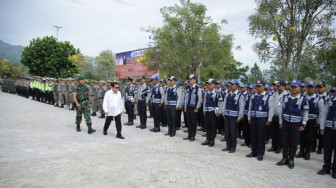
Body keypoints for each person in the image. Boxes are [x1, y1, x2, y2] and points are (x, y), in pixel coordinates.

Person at [276, 79, 309, 169]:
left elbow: (306, 112)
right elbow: (281, 110)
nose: (293, 89)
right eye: (292, 87)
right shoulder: (285, 97)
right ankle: (284, 158)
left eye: (295, 87)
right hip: (286, 122)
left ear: (299, 88)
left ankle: (291, 160)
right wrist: (281, 121)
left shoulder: (303, 99)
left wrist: (303, 124)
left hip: (296, 124)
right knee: (285, 141)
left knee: (293, 143)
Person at [246, 80, 274, 161]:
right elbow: (250, 108)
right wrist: (249, 117)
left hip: (262, 119)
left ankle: (260, 153)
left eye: (260, 86)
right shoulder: (253, 96)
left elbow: (271, 109)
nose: (258, 87)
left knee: (261, 137)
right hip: (253, 118)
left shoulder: (268, 96)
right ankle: (254, 151)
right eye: (257, 86)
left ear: (264, 87)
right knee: (253, 136)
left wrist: (269, 120)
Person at [296, 82, 324, 160]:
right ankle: (301, 151)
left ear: (315, 89)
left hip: (312, 121)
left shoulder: (318, 98)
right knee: (301, 137)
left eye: (312, 87)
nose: (310, 89)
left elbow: (321, 111)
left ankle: (307, 152)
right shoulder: (303, 97)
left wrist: (319, 122)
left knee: (310, 137)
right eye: (309, 87)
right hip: (303, 120)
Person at [221, 79, 245, 153]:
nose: (231, 86)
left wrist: (239, 117)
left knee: (233, 132)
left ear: (237, 86)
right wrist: (223, 112)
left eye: (233, 84)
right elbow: (224, 103)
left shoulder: (240, 95)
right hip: (227, 115)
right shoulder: (228, 93)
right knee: (227, 132)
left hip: (234, 116)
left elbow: (241, 107)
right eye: (230, 84)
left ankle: (233, 147)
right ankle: (228, 146)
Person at [318, 86, 336, 179]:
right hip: (328, 128)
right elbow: (324, 113)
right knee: (327, 149)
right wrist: (322, 126)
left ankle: (335, 170)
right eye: (333, 91)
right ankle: (326, 167)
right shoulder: (330, 101)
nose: (333, 93)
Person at [201, 79, 222, 147]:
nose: (208, 86)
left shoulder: (218, 92)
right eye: (208, 84)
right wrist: (204, 110)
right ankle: (207, 139)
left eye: (210, 84)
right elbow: (204, 102)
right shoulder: (206, 93)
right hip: (207, 111)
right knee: (207, 126)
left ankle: (212, 140)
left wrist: (218, 111)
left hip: (213, 112)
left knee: (213, 127)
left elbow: (220, 103)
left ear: (214, 85)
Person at [183, 74, 202, 141]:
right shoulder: (188, 88)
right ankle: (189, 135)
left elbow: (200, 99)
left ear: (195, 80)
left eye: (191, 79)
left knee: (193, 122)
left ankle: (193, 136)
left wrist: (197, 108)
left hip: (194, 108)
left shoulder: (198, 88)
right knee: (189, 122)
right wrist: (185, 106)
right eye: (189, 79)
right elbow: (186, 98)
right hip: (188, 107)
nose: (190, 81)